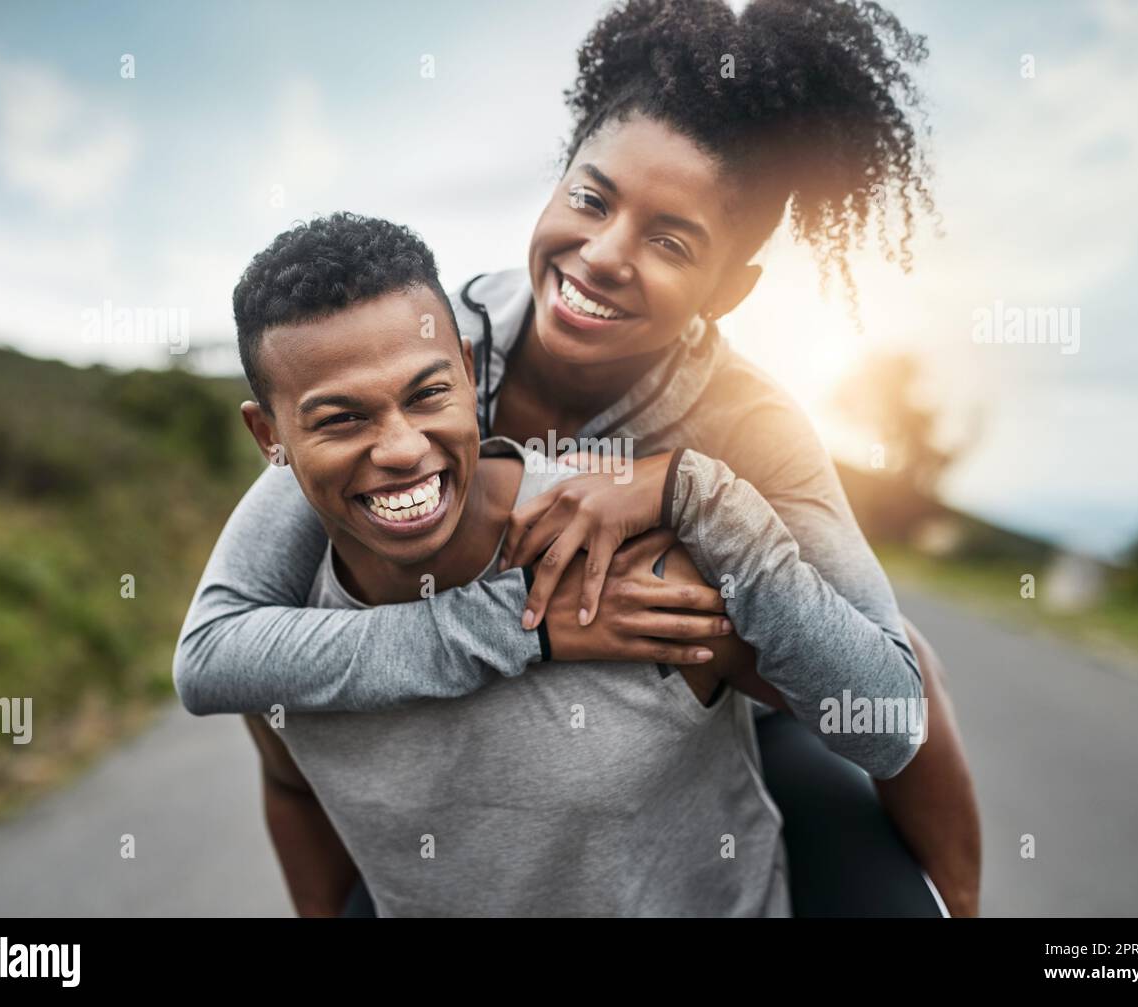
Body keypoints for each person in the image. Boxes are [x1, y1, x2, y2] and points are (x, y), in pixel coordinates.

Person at [175, 0, 980, 916]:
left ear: (731, 287)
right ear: (559, 180)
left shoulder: (747, 427)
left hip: (736, 711)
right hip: (488, 754)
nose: (601, 255)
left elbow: (892, 701)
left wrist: (682, 488)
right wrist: (529, 624)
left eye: (671, 241)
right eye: (591, 199)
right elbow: (222, 645)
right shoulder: (433, 355)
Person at [226, 212, 921, 916]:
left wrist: (709, 499)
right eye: (341, 418)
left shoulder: (642, 570)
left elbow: (884, 724)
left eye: (427, 393)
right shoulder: (279, 649)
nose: (402, 448)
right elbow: (291, 789)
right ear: (269, 437)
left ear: (469, 373)